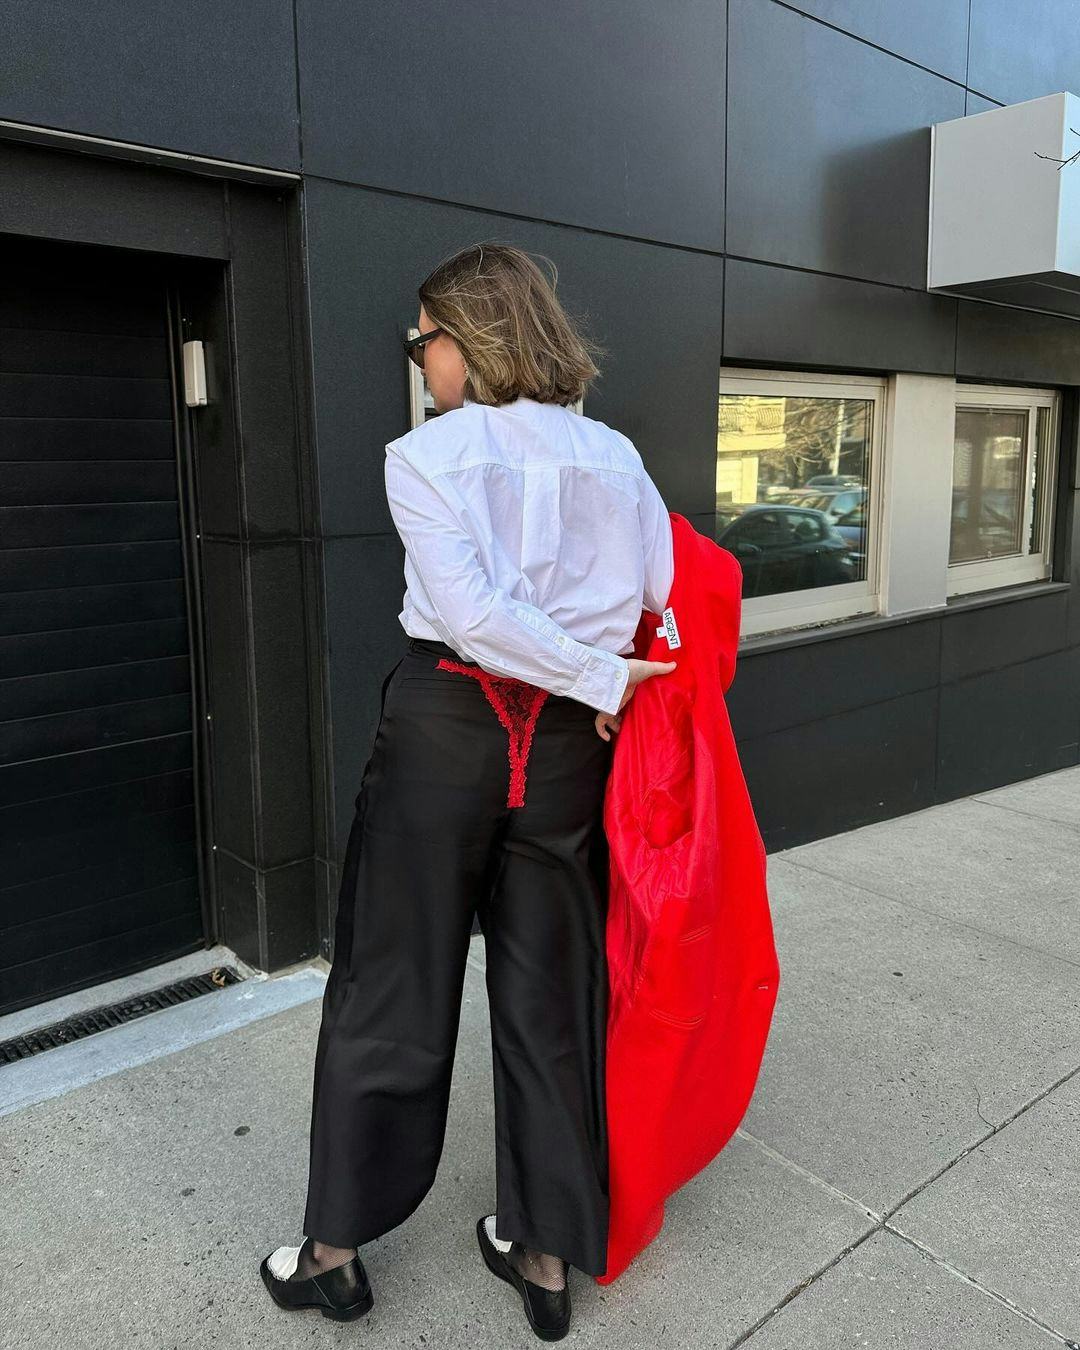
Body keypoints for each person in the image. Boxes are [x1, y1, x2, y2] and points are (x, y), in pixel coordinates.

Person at [260, 241, 676, 1339]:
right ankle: (543, 1257)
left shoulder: (425, 457)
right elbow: (659, 591)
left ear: (469, 339)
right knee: (552, 992)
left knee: (392, 978)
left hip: (450, 725)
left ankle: (333, 1254)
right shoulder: (616, 456)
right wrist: (607, 679)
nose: (422, 361)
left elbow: (477, 615)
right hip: (571, 746)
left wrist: (593, 675)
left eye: (424, 342)